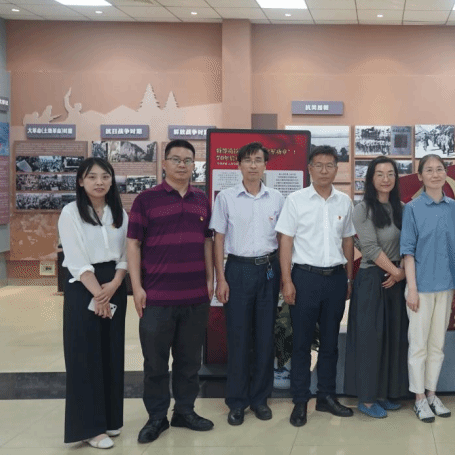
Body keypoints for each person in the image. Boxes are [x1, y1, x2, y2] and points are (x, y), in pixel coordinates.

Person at [127, 140, 215, 444]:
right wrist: (136, 287)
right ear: (164, 164)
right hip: (157, 298)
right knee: (155, 363)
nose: (182, 165)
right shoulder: (146, 200)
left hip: (194, 297)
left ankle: (185, 411)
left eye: (188, 160)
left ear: (194, 166)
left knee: (189, 361)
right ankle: (156, 417)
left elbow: (207, 241)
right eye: (176, 159)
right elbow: (133, 244)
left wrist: (210, 279)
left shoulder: (201, 200)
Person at [276, 145, 356, 427]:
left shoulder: (344, 202)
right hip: (304, 278)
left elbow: (348, 241)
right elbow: (285, 241)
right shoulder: (296, 200)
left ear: (336, 169)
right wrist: (287, 280)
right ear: (309, 169)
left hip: (335, 278)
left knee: (330, 343)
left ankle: (326, 397)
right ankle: (300, 400)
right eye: (318, 165)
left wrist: (348, 278)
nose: (324, 170)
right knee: (301, 343)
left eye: (329, 165)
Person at [210, 142, 284, 426]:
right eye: (248, 160)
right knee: (239, 338)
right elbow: (218, 239)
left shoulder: (276, 198)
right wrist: (221, 278)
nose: (253, 165)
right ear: (238, 165)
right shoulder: (226, 198)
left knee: (265, 337)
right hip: (237, 270)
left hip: (268, 270)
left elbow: (283, 239)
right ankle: (237, 402)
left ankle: (260, 399)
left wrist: (284, 276)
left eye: (258, 160)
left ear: (266, 165)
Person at [60, 157, 128, 449]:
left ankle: (110, 419)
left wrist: (114, 285)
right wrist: (99, 294)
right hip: (83, 287)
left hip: (114, 284)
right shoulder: (71, 212)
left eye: (105, 176)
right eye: (92, 177)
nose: (99, 182)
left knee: (111, 352)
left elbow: (125, 254)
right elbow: (75, 259)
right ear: (80, 181)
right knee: (85, 357)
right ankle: (90, 428)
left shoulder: (118, 212)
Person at [400, 155, 455, 423]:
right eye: (429, 170)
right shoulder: (412, 208)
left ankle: (432, 394)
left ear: (446, 174)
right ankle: (418, 399)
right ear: (420, 176)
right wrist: (412, 289)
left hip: (445, 287)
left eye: (440, 169)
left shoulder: (454, 208)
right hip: (421, 288)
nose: (435, 174)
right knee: (418, 345)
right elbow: (408, 252)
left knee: (437, 345)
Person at [344, 156, 409, 419]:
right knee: (370, 339)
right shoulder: (362, 209)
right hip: (373, 278)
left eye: (390, 174)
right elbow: (369, 247)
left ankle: (384, 393)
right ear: (371, 178)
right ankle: (367, 399)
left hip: (397, 279)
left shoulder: (402, 208)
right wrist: (397, 272)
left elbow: (410, 243)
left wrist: (400, 272)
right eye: (380, 174)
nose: (385, 179)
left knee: (393, 338)